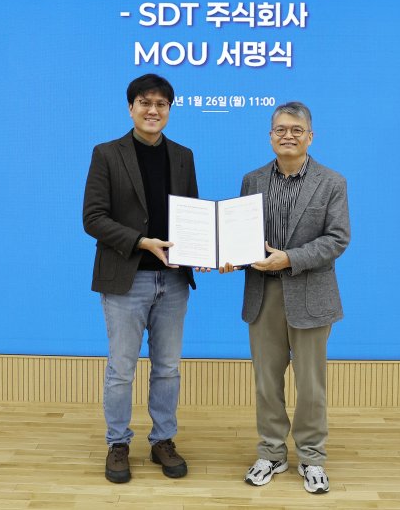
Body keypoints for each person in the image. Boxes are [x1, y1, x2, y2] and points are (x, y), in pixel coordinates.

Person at [220, 101, 350, 494]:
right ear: (270, 136)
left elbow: (337, 239)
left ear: (310, 136)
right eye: (280, 129)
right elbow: (241, 237)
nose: (288, 135)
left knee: (310, 385)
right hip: (263, 295)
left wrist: (289, 258)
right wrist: (227, 256)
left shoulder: (332, 182)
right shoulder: (252, 180)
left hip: (311, 295)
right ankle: (271, 452)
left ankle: (312, 457)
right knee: (266, 383)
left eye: (296, 129)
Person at [83, 73, 198, 484]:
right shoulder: (106, 154)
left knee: (168, 368)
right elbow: (93, 218)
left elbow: (192, 214)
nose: (153, 110)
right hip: (126, 279)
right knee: (121, 369)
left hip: (174, 282)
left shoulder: (182, 155)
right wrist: (141, 242)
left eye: (161, 104)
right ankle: (118, 443)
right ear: (130, 107)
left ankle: (163, 439)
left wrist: (201, 252)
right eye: (145, 103)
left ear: (169, 110)